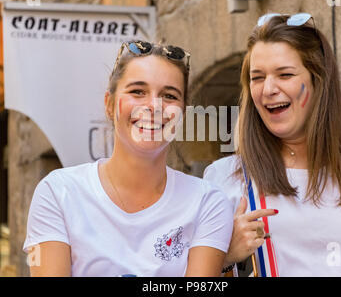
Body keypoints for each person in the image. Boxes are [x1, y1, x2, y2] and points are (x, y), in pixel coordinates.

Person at [204, 13, 341, 277]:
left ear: (318, 82)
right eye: (257, 77)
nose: (268, 89)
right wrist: (227, 257)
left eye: (285, 74)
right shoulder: (226, 176)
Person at [23, 40, 233, 277]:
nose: (154, 106)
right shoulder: (58, 192)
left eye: (169, 95)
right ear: (109, 104)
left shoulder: (207, 202)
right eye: (137, 91)